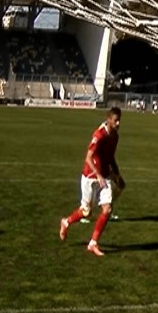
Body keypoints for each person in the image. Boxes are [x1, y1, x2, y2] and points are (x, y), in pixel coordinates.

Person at [59, 107, 124, 256]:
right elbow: (88, 158)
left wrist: (117, 173)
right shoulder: (99, 135)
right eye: (116, 120)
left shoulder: (115, 136)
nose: (118, 123)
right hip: (90, 177)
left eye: (120, 120)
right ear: (108, 120)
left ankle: (93, 243)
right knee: (86, 212)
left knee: (107, 209)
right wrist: (98, 175)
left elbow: (110, 156)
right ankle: (66, 222)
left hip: (105, 176)